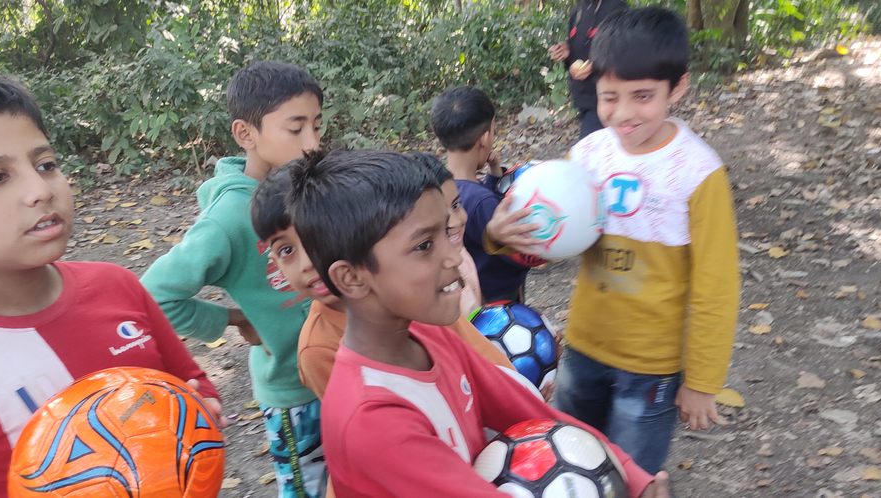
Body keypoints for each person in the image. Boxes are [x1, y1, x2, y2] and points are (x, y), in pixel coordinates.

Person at [285, 149, 670, 498]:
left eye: (446, 232)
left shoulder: (429, 334)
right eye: (424, 245)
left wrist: (634, 477)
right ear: (352, 278)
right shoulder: (370, 420)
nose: (454, 257)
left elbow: (531, 412)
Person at [0, 71, 220, 497]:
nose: (40, 189)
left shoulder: (117, 286)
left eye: (46, 165)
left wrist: (199, 417)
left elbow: (192, 385)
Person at [494, 7, 741, 474]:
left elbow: (717, 287)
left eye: (643, 96)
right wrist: (503, 237)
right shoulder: (588, 154)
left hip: (651, 370)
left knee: (630, 474)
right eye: (609, 97)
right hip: (583, 348)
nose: (624, 113)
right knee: (570, 461)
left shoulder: (698, 172)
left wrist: (703, 381)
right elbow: (556, 241)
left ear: (678, 88)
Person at [140, 61, 324, 497]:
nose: (313, 143)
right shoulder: (227, 218)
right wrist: (233, 318)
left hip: (340, 367)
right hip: (294, 392)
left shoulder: (309, 187)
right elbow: (153, 296)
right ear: (245, 134)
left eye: (317, 126)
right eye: (295, 128)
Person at [249, 153, 513, 400]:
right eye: (286, 250)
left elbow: (491, 367)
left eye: (315, 240)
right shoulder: (318, 351)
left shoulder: (417, 293)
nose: (308, 263)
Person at [430, 86, 543, 303]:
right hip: (497, 297)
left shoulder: (441, 185)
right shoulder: (482, 201)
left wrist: (493, 176)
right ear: (484, 138)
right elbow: (514, 253)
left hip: (471, 289)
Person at [547, 0, 628, 139]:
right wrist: (566, 52)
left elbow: (624, 50)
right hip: (582, 96)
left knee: (590, 145)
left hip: (604, 97)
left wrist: (595, 65)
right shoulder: (578, 9)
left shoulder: (617, 8)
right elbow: (574, 46)